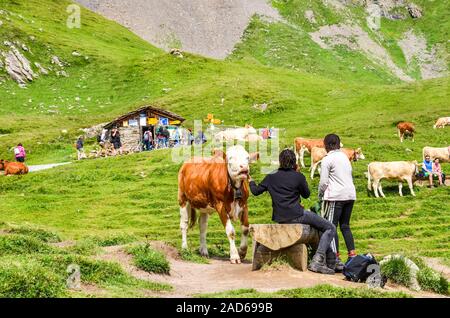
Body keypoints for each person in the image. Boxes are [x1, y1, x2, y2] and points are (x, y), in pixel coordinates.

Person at [249, 149, 337, 275]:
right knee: (330, 228)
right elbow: (306, 195)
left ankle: (330, 260)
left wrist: (251, 181)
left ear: (280, 162)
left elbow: (256, 191)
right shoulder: (298, 176)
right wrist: (299, 176)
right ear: (294, 162)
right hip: (298, 215)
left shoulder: (271, 176)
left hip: (280, 218)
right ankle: (318, 261)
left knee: (318, 228)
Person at [319, 134, 357, 272]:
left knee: (331, 227)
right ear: (339, 144)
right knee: (345, 226)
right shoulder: (345, 157)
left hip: (336, 196)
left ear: (326, 145)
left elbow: (323, 182)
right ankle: (352, 256)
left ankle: (335, 259)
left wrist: (320, 195)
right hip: (350, 195)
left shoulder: (327, 159)